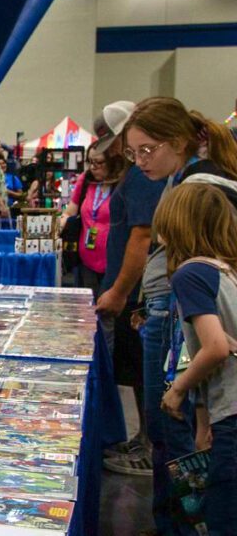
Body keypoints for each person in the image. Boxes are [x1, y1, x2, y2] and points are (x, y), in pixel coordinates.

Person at [117, 96, 237, 526]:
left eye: (147, 150)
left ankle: (181, 522)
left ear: (178, 141)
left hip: (179, 320)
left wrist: (181, 383)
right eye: (133, 153)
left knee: (172, 428)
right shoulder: (184, 179)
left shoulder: (199, 188)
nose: (140, 161)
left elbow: (213, 344)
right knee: (172, 431)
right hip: (168, 313)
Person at [153, 182, 237, 535]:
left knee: (222, 520)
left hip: (232, 413)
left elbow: (215, 348)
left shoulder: (189, 274)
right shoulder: (223, 271)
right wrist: (203, 424)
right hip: (224, 413)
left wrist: (177, 390)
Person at [94, 100, 165, 477]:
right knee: (136, 373)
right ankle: (142, 439)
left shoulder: (141, 175)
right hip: (132, 290)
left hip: (136, 294)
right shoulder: (137, 174)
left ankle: (149, 446)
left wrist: (121, 292)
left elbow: (141, 236)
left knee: (141, 371)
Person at [58, 144, 126, 297]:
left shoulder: (123, 185)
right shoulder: (86, 181)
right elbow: (70, 211)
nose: (93, 167)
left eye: (99, 163)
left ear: (112, 162)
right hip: (86, 260)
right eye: (90, 162)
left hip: (114, 262)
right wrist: (62, 222)